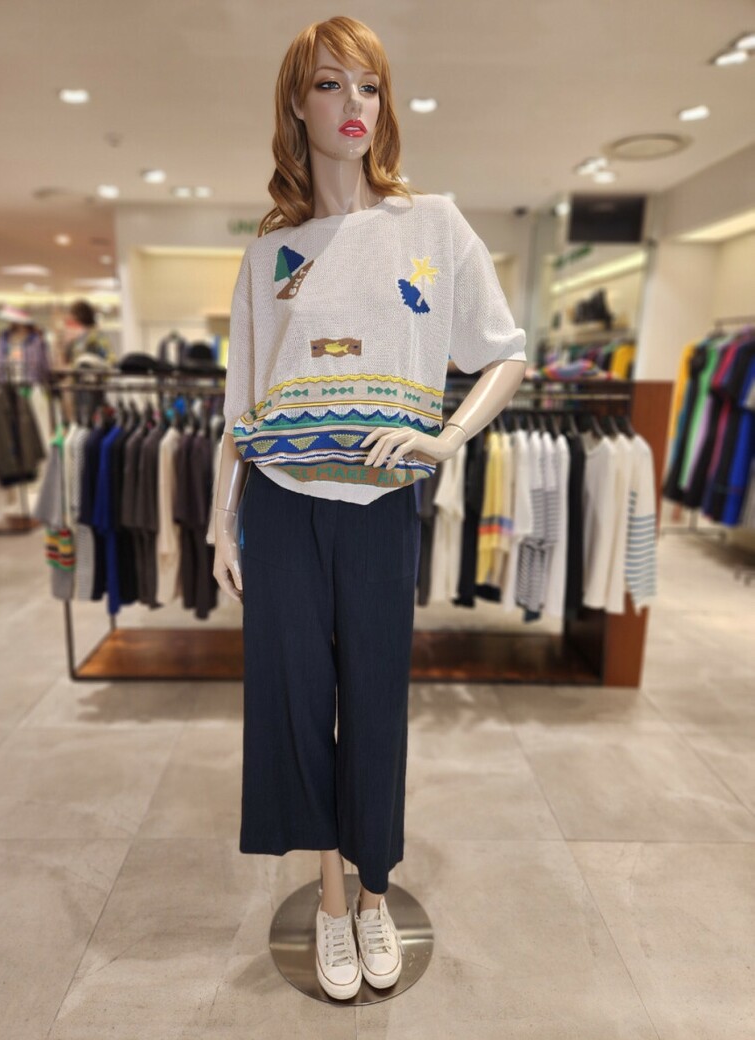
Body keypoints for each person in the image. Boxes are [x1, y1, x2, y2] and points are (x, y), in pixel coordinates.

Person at [213, 16, 527, 1000]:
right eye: (329, 83)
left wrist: (447, 435)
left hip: (383, 502)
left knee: (377, 698)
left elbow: (505, 353)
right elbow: (240, 404)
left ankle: (376, 888)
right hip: (281, 504)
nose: (353, 104)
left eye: (369, 85)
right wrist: (223, 522)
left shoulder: (429, 225)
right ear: (295, 103)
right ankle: (331, 895)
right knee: (296, 700)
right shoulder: (271, 254)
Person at [61, 299, 115, 367]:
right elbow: (69, 362)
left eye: (72, 318)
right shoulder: (78, 338)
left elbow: (111, 361)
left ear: (79, 317)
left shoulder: (97, 336)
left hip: (94, 373)